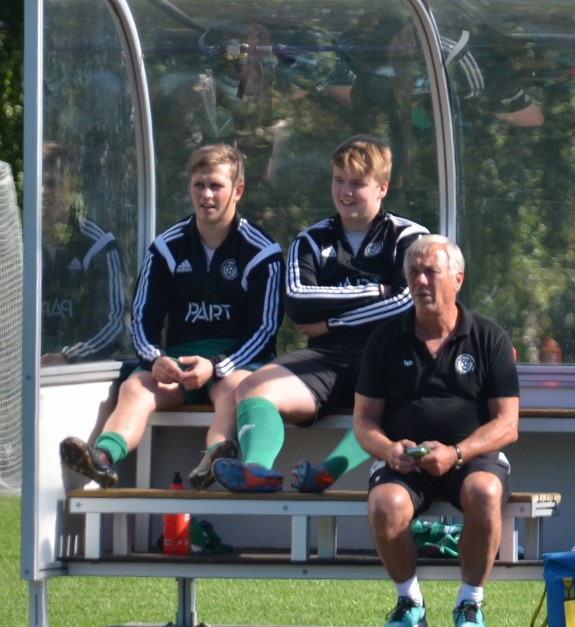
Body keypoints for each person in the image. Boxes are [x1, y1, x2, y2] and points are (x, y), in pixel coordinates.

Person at [206, 134, 429, 493]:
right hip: (327, 356)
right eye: (339, 181)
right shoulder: (310, 240)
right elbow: (298, 301)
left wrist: (331, 322)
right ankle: (256, 470)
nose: (345, 192)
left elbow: (407, 303)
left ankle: (326, 473)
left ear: (382, 188)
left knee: (397, 402)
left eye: (357, 183)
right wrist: (376, 291)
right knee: (251, 387)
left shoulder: (410, 237)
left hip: (388, 354)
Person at [59, 144, 283, 487]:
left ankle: (214, 458)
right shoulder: (166, 247)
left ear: (238, 190)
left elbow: (265, 330)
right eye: (199, 185)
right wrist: (156, 359)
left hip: (234, 363)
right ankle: (102, 458)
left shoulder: (261, 250)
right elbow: (142, 321)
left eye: (216, 186)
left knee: (235, 389)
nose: (206, 195)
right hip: (179, 362)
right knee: (135, 387)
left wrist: (217, 366)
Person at [354, 234, 518, 627]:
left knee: (485, 492)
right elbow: (364, 422)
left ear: (458, 279)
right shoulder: (384, 339)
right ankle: (409, 602)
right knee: (385, 504)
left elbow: (507, 424)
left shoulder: (489, 338)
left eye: (431, 272)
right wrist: (389, 449)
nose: (421, 281)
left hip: (471, 457)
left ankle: (470, 603)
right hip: (405, 460)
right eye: (413, 272)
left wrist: (458, 453)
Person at [40, 141, 128, 365]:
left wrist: (68, 358)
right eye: (36, 182)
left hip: (81, 374)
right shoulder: (17, 241)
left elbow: (115, 324)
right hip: (22, 371)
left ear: (72, 187)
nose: (42, 192)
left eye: (51, 184)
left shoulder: (99, 244)